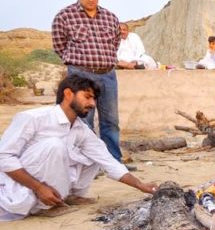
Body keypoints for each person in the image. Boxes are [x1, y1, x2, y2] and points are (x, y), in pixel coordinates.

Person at [0, 75, 157, 222]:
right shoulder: (33, 118)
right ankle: (45, 205)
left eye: (94, 99)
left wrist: (140, 185)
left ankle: (67, 196)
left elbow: (106, 159)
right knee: (55, 145)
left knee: (93, 154)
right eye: (87, 97)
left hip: (44, 181)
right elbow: (4, 157)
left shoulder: (80, 128)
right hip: (17, 185)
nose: (92, 104)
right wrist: (39, 187)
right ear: (68, 94)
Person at [51, 0, 129, 166]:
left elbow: (114, 44)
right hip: (81, 75)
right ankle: (87, 163)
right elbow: (59, 46)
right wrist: (79, 64)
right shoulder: (64, 16)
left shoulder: (110, 17)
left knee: (111, 121)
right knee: (83, 121)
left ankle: (113, 162)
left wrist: (104, 61)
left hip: (108, 76)